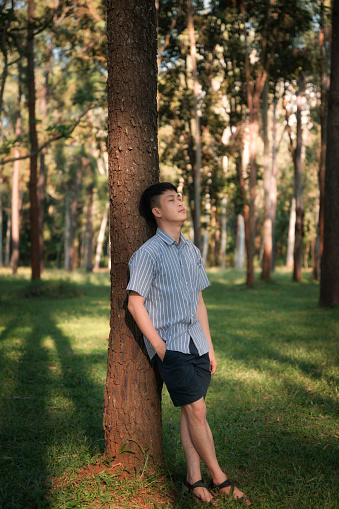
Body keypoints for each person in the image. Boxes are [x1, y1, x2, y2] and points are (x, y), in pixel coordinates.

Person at [127, 182, 251, 505]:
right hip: (172, 346)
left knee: (189, 413)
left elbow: (199, 302)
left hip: (196, 343)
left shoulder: (192, 251)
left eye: (180, 197)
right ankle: (221, 480)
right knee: (197, 409)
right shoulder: (147, 254)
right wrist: (159, 346)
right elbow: (135, 304)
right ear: (157, 211)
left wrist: (209, 345)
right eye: (171, 199)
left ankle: (193, 480)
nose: (180, 202)